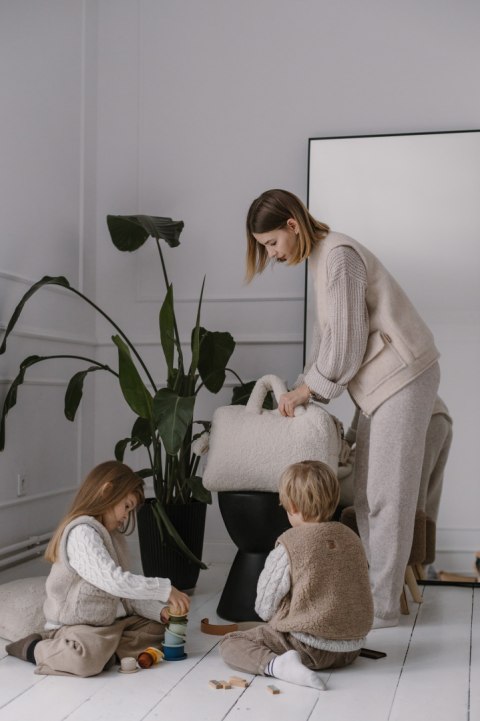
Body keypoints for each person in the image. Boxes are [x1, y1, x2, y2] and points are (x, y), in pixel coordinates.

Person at [246, 189, 441, 628]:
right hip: (381, 383)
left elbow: (348, 342)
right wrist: (304, 384)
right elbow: (330, 336)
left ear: (293, 225)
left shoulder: (339, 256)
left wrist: (308, 390)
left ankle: (382, 607)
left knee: (388, 495)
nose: (272, 254)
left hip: (402, 376)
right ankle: (371, 595)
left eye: (272, 243)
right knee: (369, 495)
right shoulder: (321, 259)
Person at [6, 460, 190, 676]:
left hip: (107, 624)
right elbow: (114, 581)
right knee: (84, 660)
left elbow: (126, 594)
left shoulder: (113, 537)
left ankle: (105, 653)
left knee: (159, 628)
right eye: (126, 506)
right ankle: (34, 648)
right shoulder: (82, 533)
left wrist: (159, 612)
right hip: (75, 626)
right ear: (107, 492)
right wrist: (164, 589)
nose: (127, 516)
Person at [220, 460, 373, 690]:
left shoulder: (290, 545)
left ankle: (277, 666)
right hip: (351, 649)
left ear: (291, 506)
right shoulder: (352, 539)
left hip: (308, 648)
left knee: (231, 643)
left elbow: (264, 606)